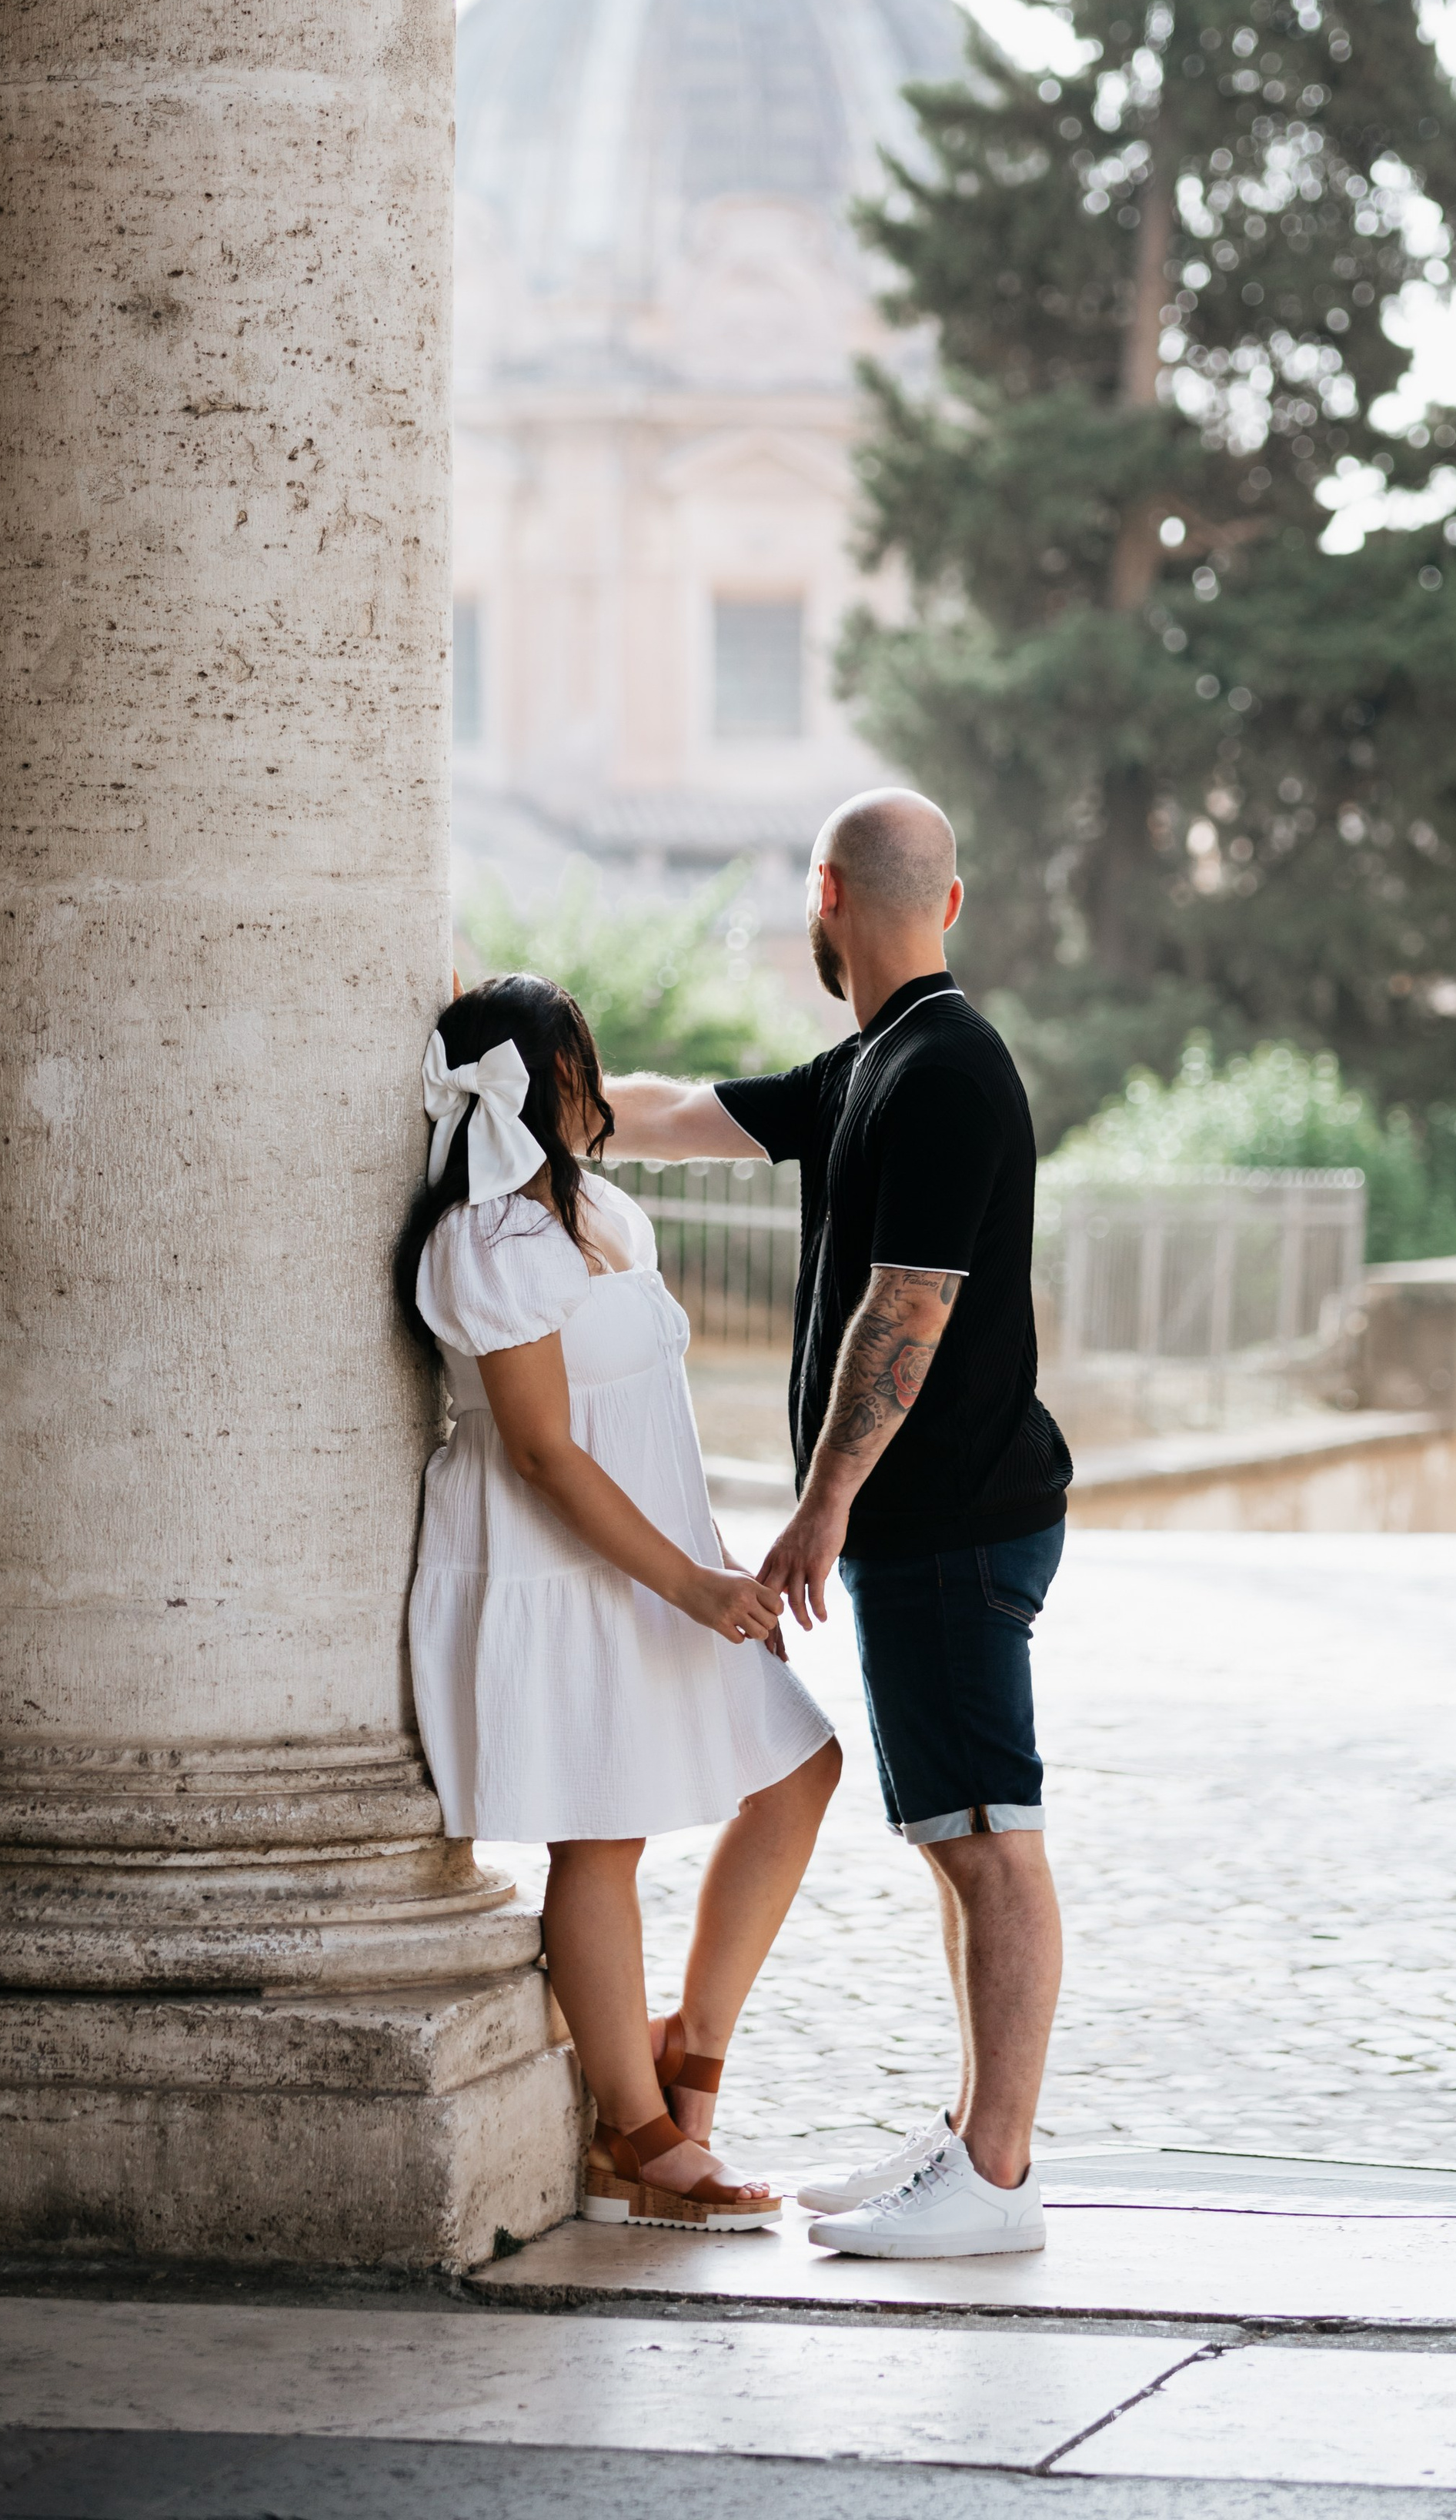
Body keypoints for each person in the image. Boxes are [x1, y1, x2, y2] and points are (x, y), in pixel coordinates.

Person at [602, 790, 1071, 2260]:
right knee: (957, 1835)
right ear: (948, 901)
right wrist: (536, 1087)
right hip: (929, 1528)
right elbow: (680, 1114)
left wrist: (819, 1509)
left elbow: (908, 1308)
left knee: (991, 1839)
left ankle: (996, 2179)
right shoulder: (874, 1063)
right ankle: (972, 2143)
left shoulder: (944, 1070)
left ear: (824, 895)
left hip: (949, 1524)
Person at [395, 973, 840, 2234]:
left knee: (798, 1768)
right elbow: (538, 1450)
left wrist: (702, 1562)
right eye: (576, 1071)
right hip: (562, 1570)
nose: (595, 1092)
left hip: (656, 1565)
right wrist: (691, 1581)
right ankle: (638, 2137)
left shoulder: (599, 1217)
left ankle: (684, 2053)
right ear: (535, 1089)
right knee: (599, 1841)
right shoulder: (482, 1243)